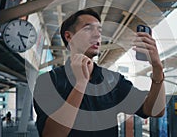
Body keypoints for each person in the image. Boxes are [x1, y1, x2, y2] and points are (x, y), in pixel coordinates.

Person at [33, 8, 165, 137]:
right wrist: (81, 84)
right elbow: (51, 134)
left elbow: (154, 110)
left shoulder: (113, 80)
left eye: (99, 31)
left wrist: (157, 68)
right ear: (69, 36)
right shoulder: (48, 81)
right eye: (88, 28)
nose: (97, 35)